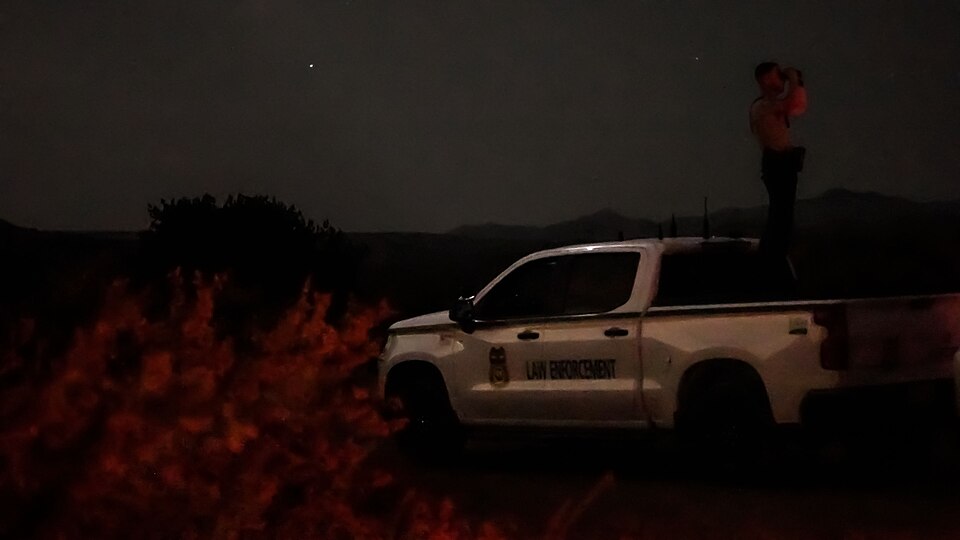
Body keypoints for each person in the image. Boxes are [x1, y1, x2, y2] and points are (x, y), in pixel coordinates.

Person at [750, 61, 808, 258]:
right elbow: (795, 104)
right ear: (766, 79)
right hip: (778, 165)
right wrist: (793, 78)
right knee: (780, 219)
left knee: (782, 218)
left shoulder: (768, 106)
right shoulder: (763, 106)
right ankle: (770, 262)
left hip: (781, 165)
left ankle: (773, 259)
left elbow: (796, 106)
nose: (781, 79)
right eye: (777, 75)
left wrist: (793, 81)